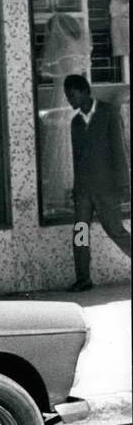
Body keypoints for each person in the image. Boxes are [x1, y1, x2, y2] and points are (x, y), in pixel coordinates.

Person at [66, 74, 131, 291]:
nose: (70, 100)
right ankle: (83, 278)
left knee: (116, 231)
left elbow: (119, 152)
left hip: (106, 190)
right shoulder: (75, 123)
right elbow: (77, 159)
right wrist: (76, 189)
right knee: (80, 233)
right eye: (67, 96)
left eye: (72, 95)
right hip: (84, 192)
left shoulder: (108, 113)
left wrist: (124, 186)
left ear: (85, 92)